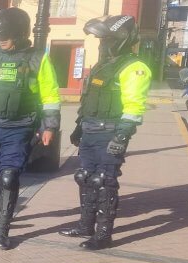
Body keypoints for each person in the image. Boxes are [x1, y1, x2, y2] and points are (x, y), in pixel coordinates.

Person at [0, 7, 61, 250]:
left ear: (18, 34)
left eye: (5, 37)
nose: (0, 41)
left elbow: (50, 93)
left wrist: (50, 126)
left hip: (19, 127)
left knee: (8, 177)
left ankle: (2, 230)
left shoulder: (38, 58)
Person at [58, 15, 151, 250]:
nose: (101, 44)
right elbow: (89, 100)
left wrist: (122, 136)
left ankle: (103, 234)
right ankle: (85, 226)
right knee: (85, 178)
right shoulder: (102, 65)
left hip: (110, 133)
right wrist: (79, 127)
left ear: (120, 39)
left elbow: (134, 106)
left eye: (105, 39)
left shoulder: (134, 68)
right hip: (90, 130)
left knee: (104, 181)